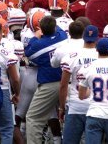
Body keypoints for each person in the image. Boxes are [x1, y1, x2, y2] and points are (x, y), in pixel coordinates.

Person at [25, 16, 67, 144]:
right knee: (70, 117)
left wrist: (35, 36)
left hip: (50, 84)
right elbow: (58, 29)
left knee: (33, 118)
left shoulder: (38, 44)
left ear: (41, 29)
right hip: (67, 82)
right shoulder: (63, 36)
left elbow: (28, 52)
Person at [58, 25, 99, 144]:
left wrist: (61, 107)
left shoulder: (72, 57)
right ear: (96, 39)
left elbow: (63, 85)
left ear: (83, 37)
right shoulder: (101, 57)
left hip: (76, 105)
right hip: (95, 106)